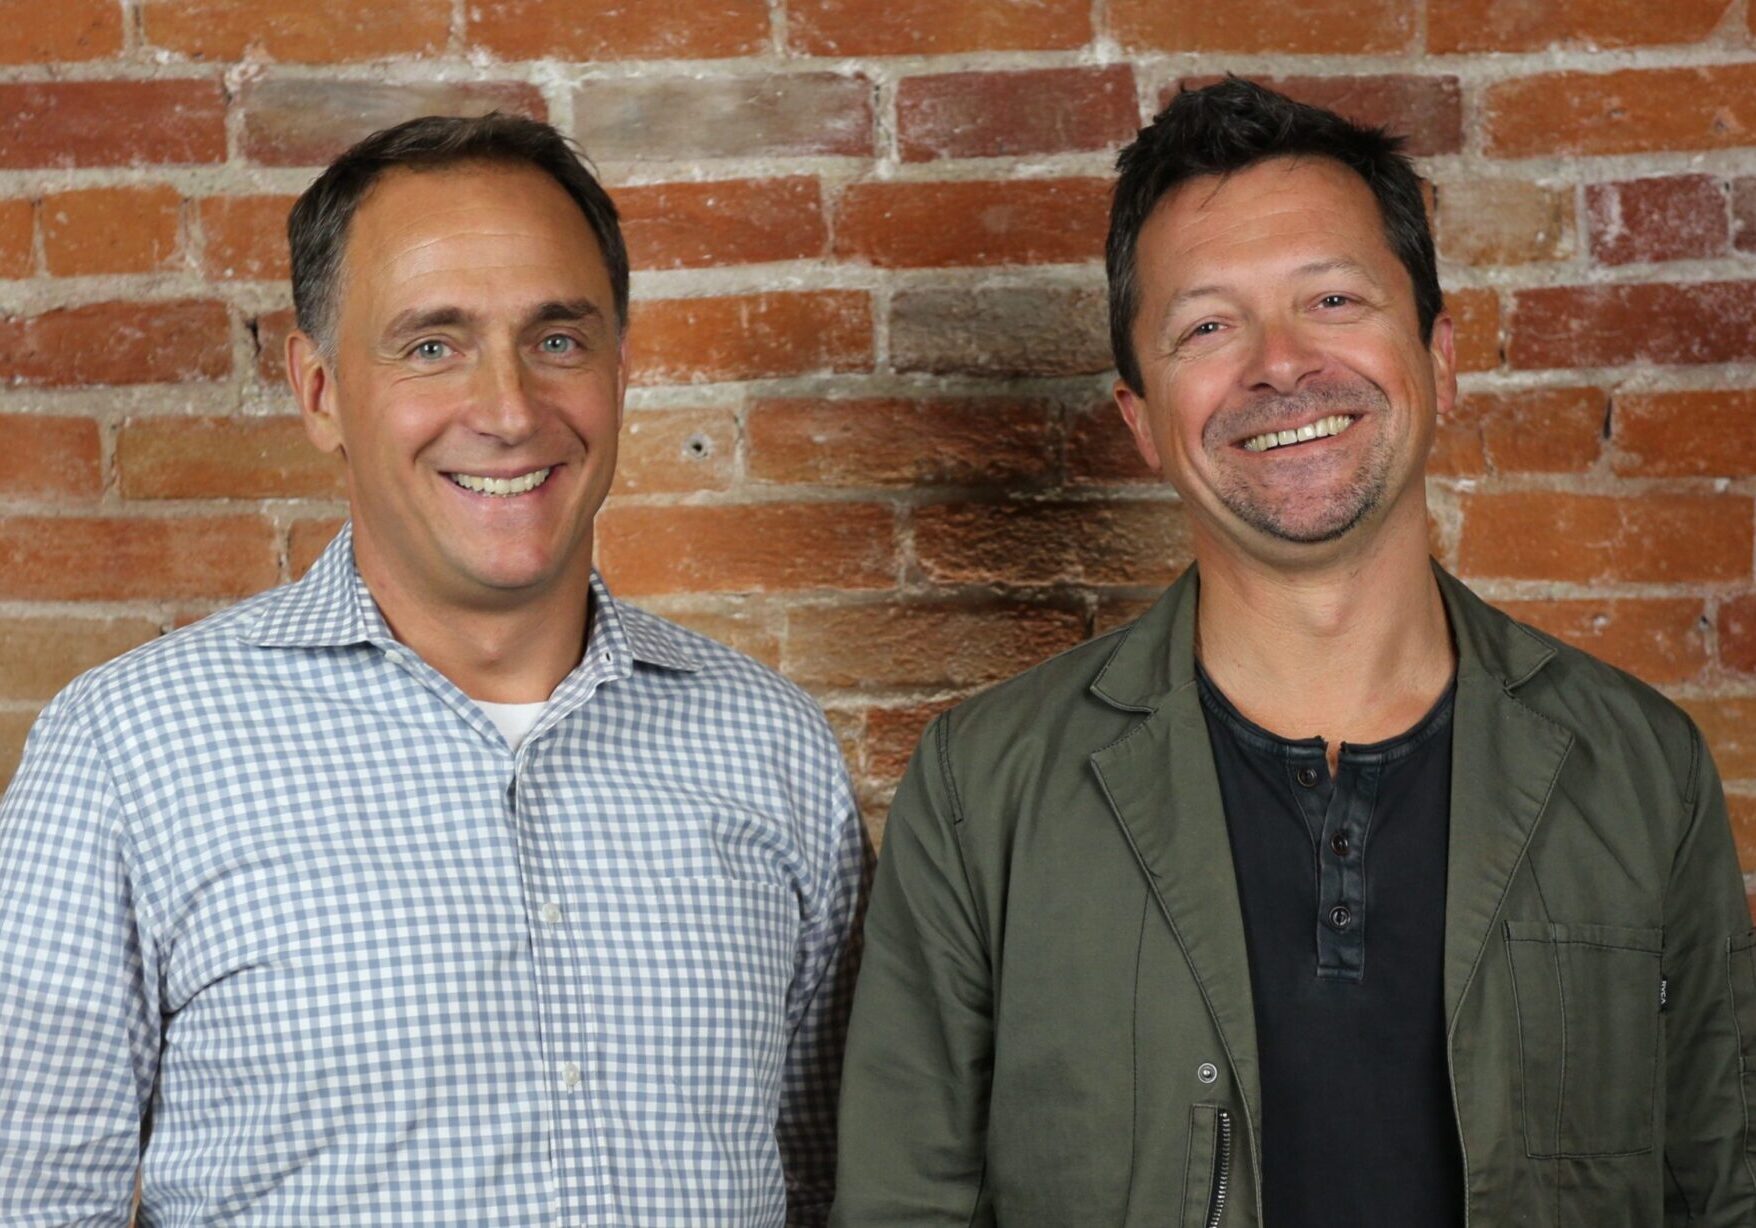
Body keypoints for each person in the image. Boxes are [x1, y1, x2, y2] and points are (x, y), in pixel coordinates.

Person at [831, 77, 1755, 1226]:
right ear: (1141, 422)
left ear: (1440, 355)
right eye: (1208, 326)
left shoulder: (1637, 767)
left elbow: (1722, 1185)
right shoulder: (985, 790)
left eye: (1329, 298)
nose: (1277, 365)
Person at [0, 113, 865, 1226]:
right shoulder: (127, 753)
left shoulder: (772, 744)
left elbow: (830, 1182)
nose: (507, 411)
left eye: (557, 340)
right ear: (318, 393)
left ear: (619, 368)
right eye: (430, 345)